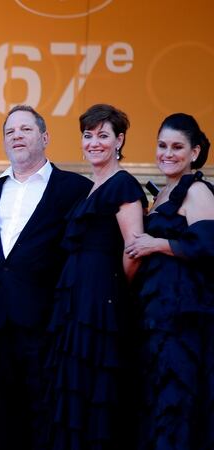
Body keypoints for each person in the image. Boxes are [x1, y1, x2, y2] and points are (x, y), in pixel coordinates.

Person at [0, 105, 92, 450]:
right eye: (10, 132)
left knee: (44, 409)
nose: (17, 137)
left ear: (45, 137)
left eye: (25, 130)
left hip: (45, 320)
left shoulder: (75, 189)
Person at [43, 103, 146, 449]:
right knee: (73, 384)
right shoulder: (90, 185)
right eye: (88, 135)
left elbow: (134, 250)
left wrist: (110, 291)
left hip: (101, 303)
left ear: (119, 140)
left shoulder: (123, 185)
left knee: (95, 389)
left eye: (103, 135)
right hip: (76, 299)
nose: (94, 142)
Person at [125, 113, 214, 450]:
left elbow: (208, 246)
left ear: (194, 152)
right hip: (156, 315)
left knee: (178, 400)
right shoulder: (163, 193)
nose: (167, 153)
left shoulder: (197, 190)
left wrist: (157, 243)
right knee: (158, 399)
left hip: (184, 318)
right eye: (162, 145)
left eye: (178, 146)